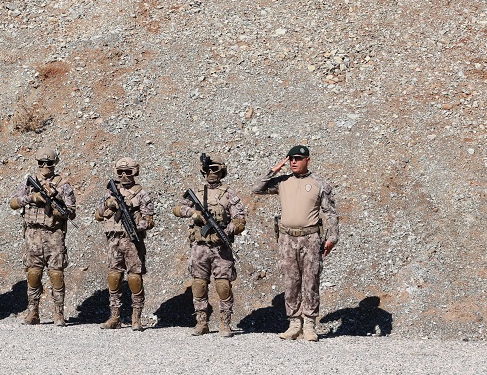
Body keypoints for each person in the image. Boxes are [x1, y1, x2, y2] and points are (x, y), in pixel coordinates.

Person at [253, 144, 340, 342]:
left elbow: (330, 212)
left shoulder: (319, 183)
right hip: (287, 238)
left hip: (310, 238)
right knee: (291, 281)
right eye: (290, 158)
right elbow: (256, 188)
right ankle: (294, 323)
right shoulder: (282, 181)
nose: (293, 161)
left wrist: (332, 238)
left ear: (307, 160)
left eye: (298, 159)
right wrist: (273, 170)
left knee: (311, 280)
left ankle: (309, 324)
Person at [171, 153, 247, 337]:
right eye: (208, 169)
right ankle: (201, 321)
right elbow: (176, 209)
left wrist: (228, 230)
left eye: (215, 169)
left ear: (222, 171)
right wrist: (192, 213)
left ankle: (225, 322)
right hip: (200, 246)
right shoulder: (196, 193)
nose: (211, 173)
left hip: (221, 247)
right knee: (199, 284)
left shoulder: (229, 194)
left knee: (223, 284)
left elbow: (240, 220)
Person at [9, 147, 77, 326]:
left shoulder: (63, 185)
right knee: (33, 273)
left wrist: (57, 210)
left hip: (54, 235)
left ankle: (59, 313)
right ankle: (33, 312)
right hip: (32, 234)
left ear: (55, 164)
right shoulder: (29, 183)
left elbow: (71, 212)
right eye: (42, 163)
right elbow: (13, 203)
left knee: (56, 274)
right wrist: (32, 198)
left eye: (49, 163)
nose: (45, 166)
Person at [94, 156, 155, 330]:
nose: (124, 175)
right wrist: (109, 205)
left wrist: (137, 225)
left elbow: (150, 221)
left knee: (134, 277)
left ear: (134, 172)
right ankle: (115, 317)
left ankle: (136, 317)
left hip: (132, 240)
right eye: (120, 172)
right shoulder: (110, 193)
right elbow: (98, 215)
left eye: (128, 172)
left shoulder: (142, 195)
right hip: (114, 239)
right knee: (114, 277)